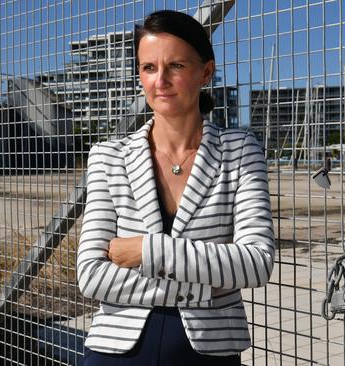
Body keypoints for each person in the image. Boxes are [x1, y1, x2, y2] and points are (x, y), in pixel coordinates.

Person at [77, 9, 275, 365]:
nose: (160, 81)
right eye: (149, 68)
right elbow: (91, 275)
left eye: (177, 67)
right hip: (116, 350)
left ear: (206, 72)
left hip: (208, 351)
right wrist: (206, 286)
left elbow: (255, 263)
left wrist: (146, 251)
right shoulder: (108, 157)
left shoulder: (240, 151)